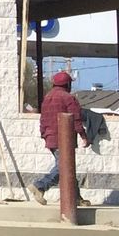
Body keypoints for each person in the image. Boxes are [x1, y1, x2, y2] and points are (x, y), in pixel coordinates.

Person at [32, 69, 92, 204]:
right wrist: (84, 136)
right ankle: (40, 186)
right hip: (64, 139)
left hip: (50, 137)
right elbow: (75, 119)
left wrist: (44, 134)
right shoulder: (68, 98)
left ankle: (75, 197)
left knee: (66, 166)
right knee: (65, 166)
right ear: (67, 84)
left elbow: (43, 118)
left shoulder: (47, 97)